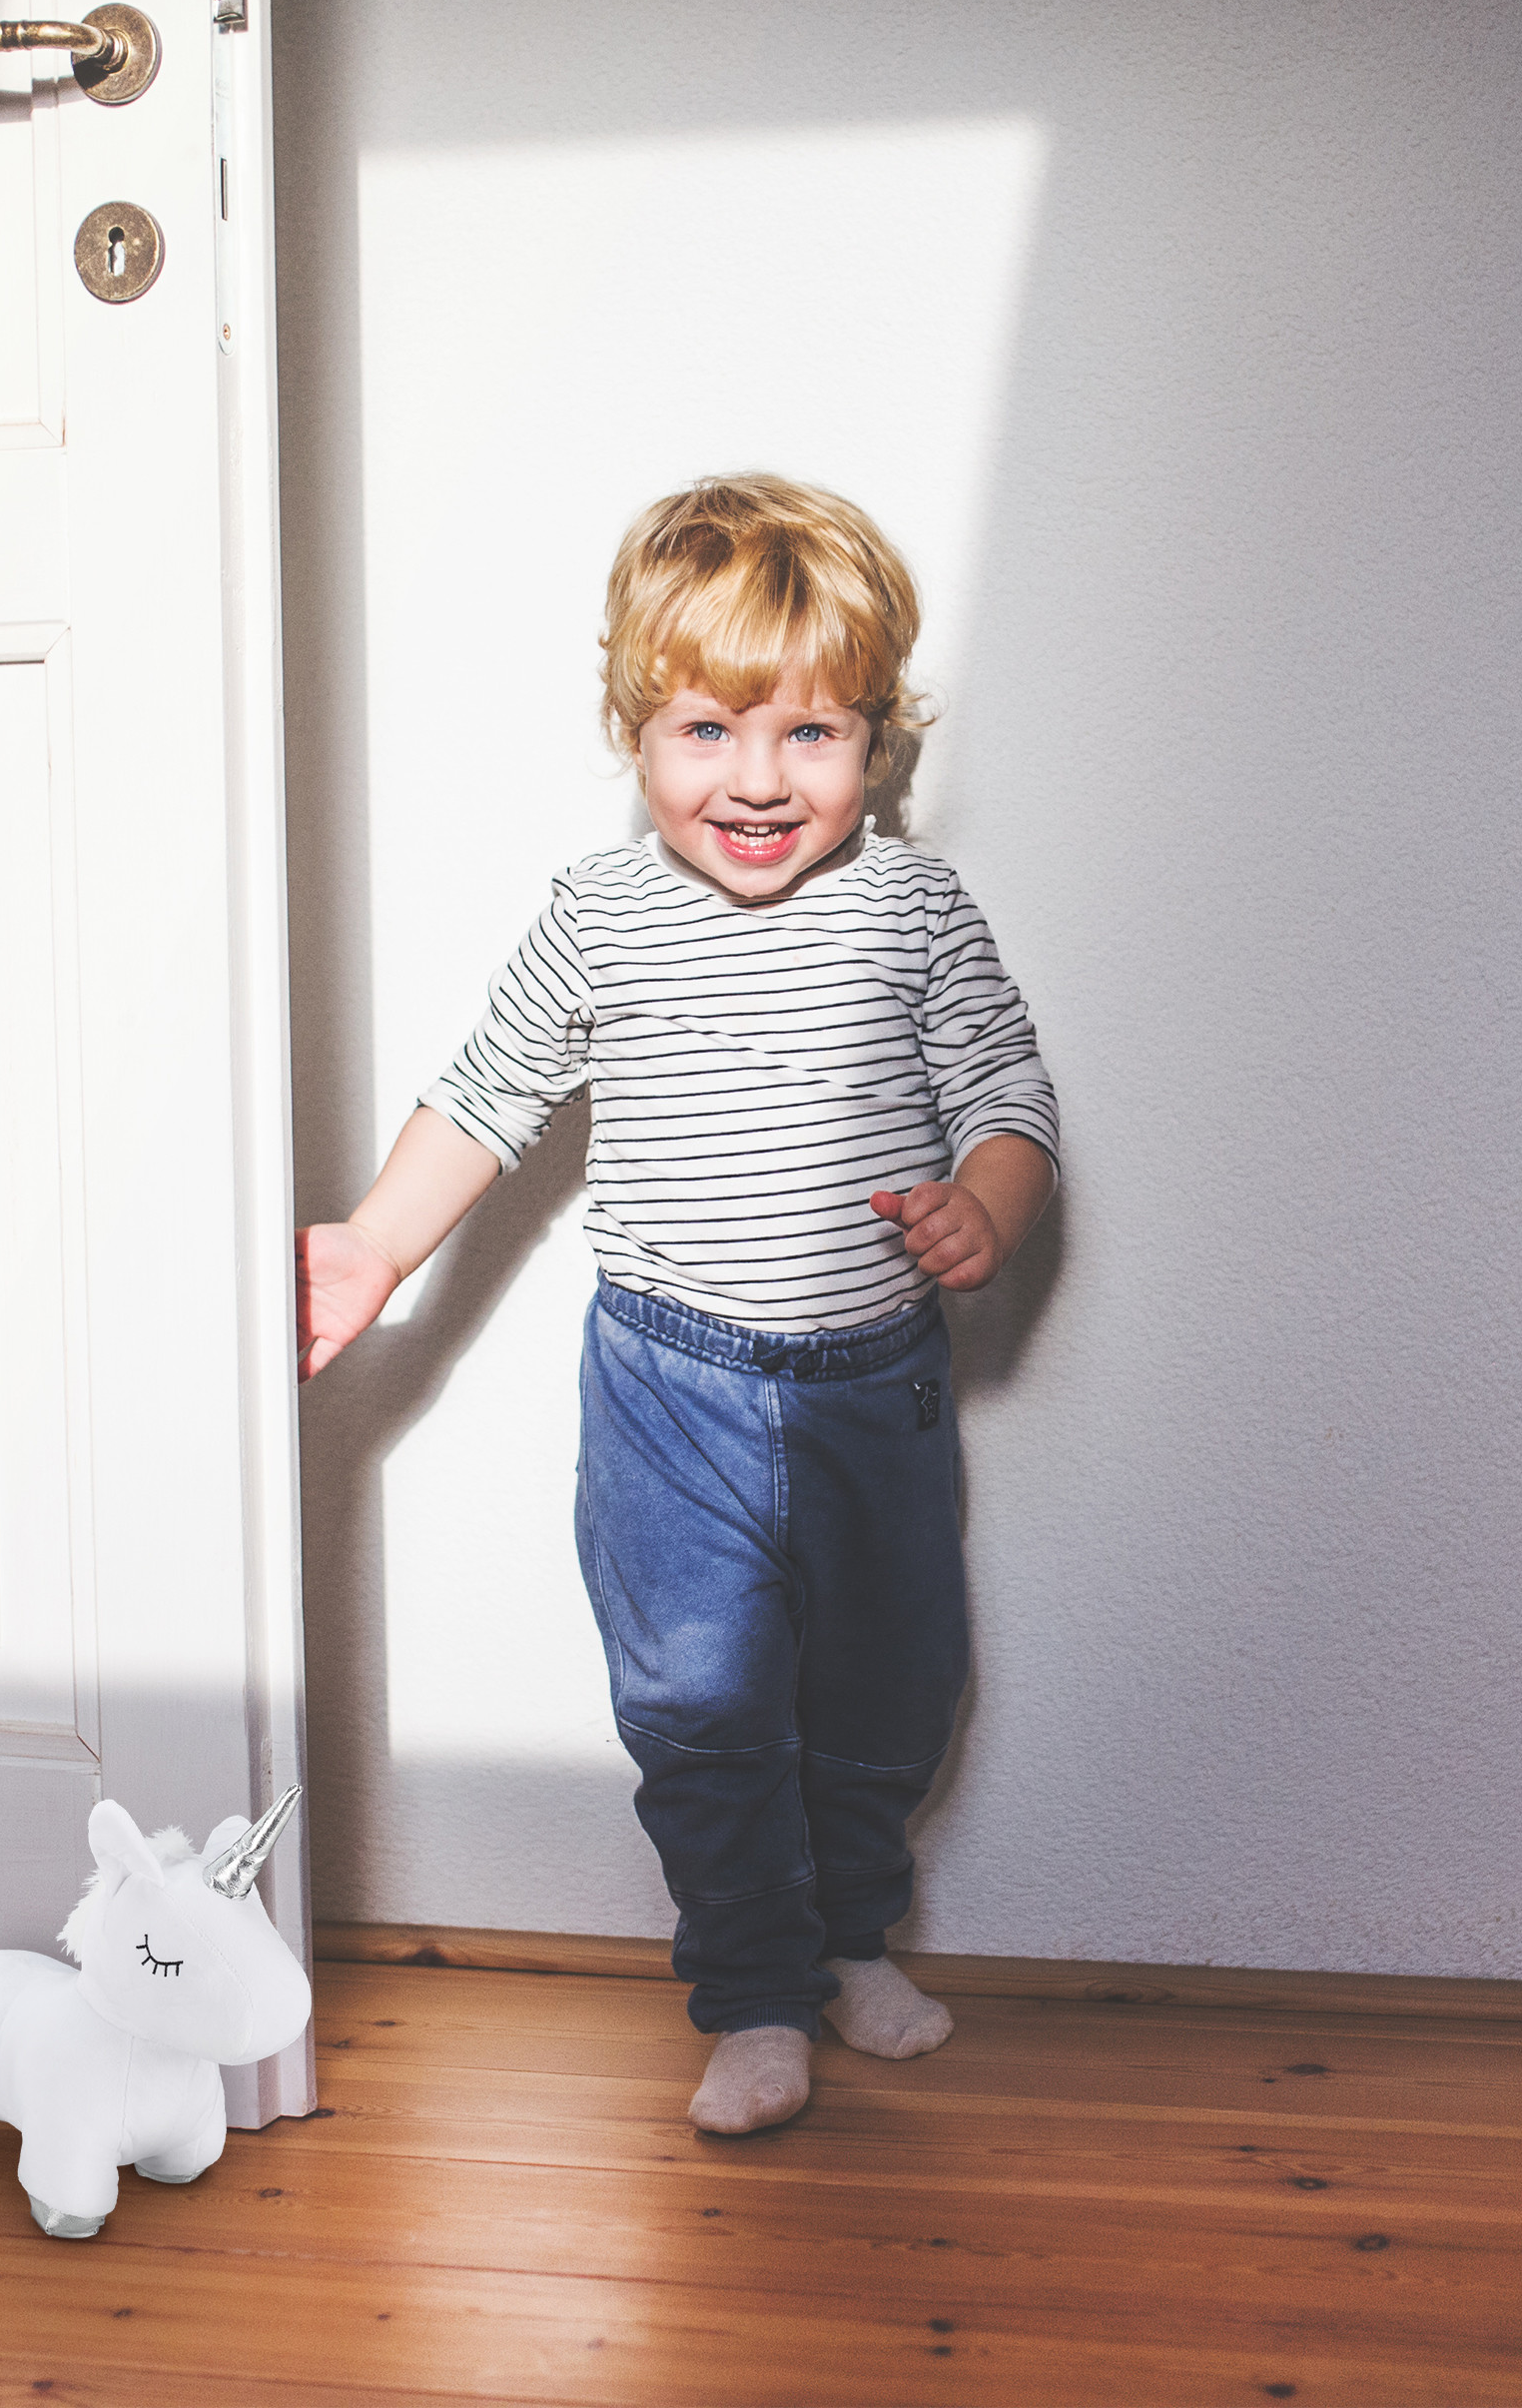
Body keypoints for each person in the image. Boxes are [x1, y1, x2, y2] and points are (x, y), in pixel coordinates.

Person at [296, 474, 1059, 2134]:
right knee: (700, 1704)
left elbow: (1010, 1095)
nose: (760, 780)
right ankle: (756, 1990)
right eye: (709, 730)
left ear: (876, 740)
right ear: (635, 728)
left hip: (875, 1387)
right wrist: (372, 1246)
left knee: (892, 1690)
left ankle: (850, 1938)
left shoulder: (914, 907)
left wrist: (985, 1208)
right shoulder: (601, 914)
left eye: (812, 734)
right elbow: (487, 1095)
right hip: (669, 1387)